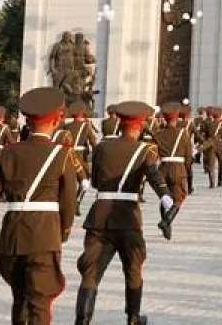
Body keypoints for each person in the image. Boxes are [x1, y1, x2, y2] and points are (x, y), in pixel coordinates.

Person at [0, 87, 81, 325]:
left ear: (28, 121)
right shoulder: (61, 155)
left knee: (20, 298)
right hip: (44, 236)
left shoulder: (8, 153)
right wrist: (62, 232)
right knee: (39, 302)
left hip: (12, 237)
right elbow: (69, 201)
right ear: (56, 120)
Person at [74, 100, 173, 325]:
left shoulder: (101, 148)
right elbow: (153, 175)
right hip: (128, 218)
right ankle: (133, 317)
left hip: (99, 217)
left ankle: (82, 320)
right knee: (134, 268)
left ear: (119, 122)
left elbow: (98, 182)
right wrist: (166, 197)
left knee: (91, 272)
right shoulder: (144, 150)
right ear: (140, 126)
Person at [155, 105, 194, 212]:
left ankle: (166, 223)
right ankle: (167, 221)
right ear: (177, 119)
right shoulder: (183, 133)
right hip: (178, 169)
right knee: (179, 197)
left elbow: (153, 154)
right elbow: (188, 155)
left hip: (162, 169)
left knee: (165, 198)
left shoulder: (158, 134)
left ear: (164, 119)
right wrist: (187, 171)